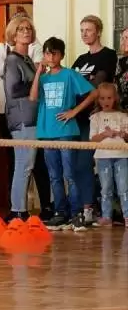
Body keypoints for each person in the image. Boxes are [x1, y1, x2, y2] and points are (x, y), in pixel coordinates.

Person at [29, 37, 97, 231]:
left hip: (66, 131)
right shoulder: (43, 78)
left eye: (55, 53)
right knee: (54, 175)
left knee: (70, 174)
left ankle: (76, 213)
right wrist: (38, 73)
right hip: (47, 132)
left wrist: (74, 111)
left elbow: (93, 93)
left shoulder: (69, 74)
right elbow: (33, 97)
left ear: (62, 55)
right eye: (47, 53)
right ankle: (60, 213)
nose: (51, 57)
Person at [71, 15, 118, 224]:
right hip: (78, 118)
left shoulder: (108, 55)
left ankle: (94, 206)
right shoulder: (80, 60)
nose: (84, 34)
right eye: (82, 30)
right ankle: (86, 206)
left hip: (96, 117)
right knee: (78, 165)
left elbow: (98, 85)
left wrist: (87, 83)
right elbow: (72, 85)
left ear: (98, 31)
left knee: (95, 164)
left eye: (88, 30)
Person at [3, 19, 40, 222]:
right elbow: (14, 90)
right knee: (23, 164)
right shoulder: (12, 59)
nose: (26, 32)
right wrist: (38, 80)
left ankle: (20, 208)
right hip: (22, 119)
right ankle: (18, 209)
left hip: (33, 117)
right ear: (13, 34)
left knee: (28, 165)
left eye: (28, 28)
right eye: (21, 29)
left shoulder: (27, 59)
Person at [89, 83, 128, 227]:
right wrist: (105, 134)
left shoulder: (123, 116)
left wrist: (123, 134)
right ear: (98, 100)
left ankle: (127, 215)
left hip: (122, 156)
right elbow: (92, 139)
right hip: (103, 156)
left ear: (115, 98)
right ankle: (106, 216)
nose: (106, 101)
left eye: (109, 98)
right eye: (102, 98)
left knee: (124, 187)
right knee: (105, 188)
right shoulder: (95, 117)